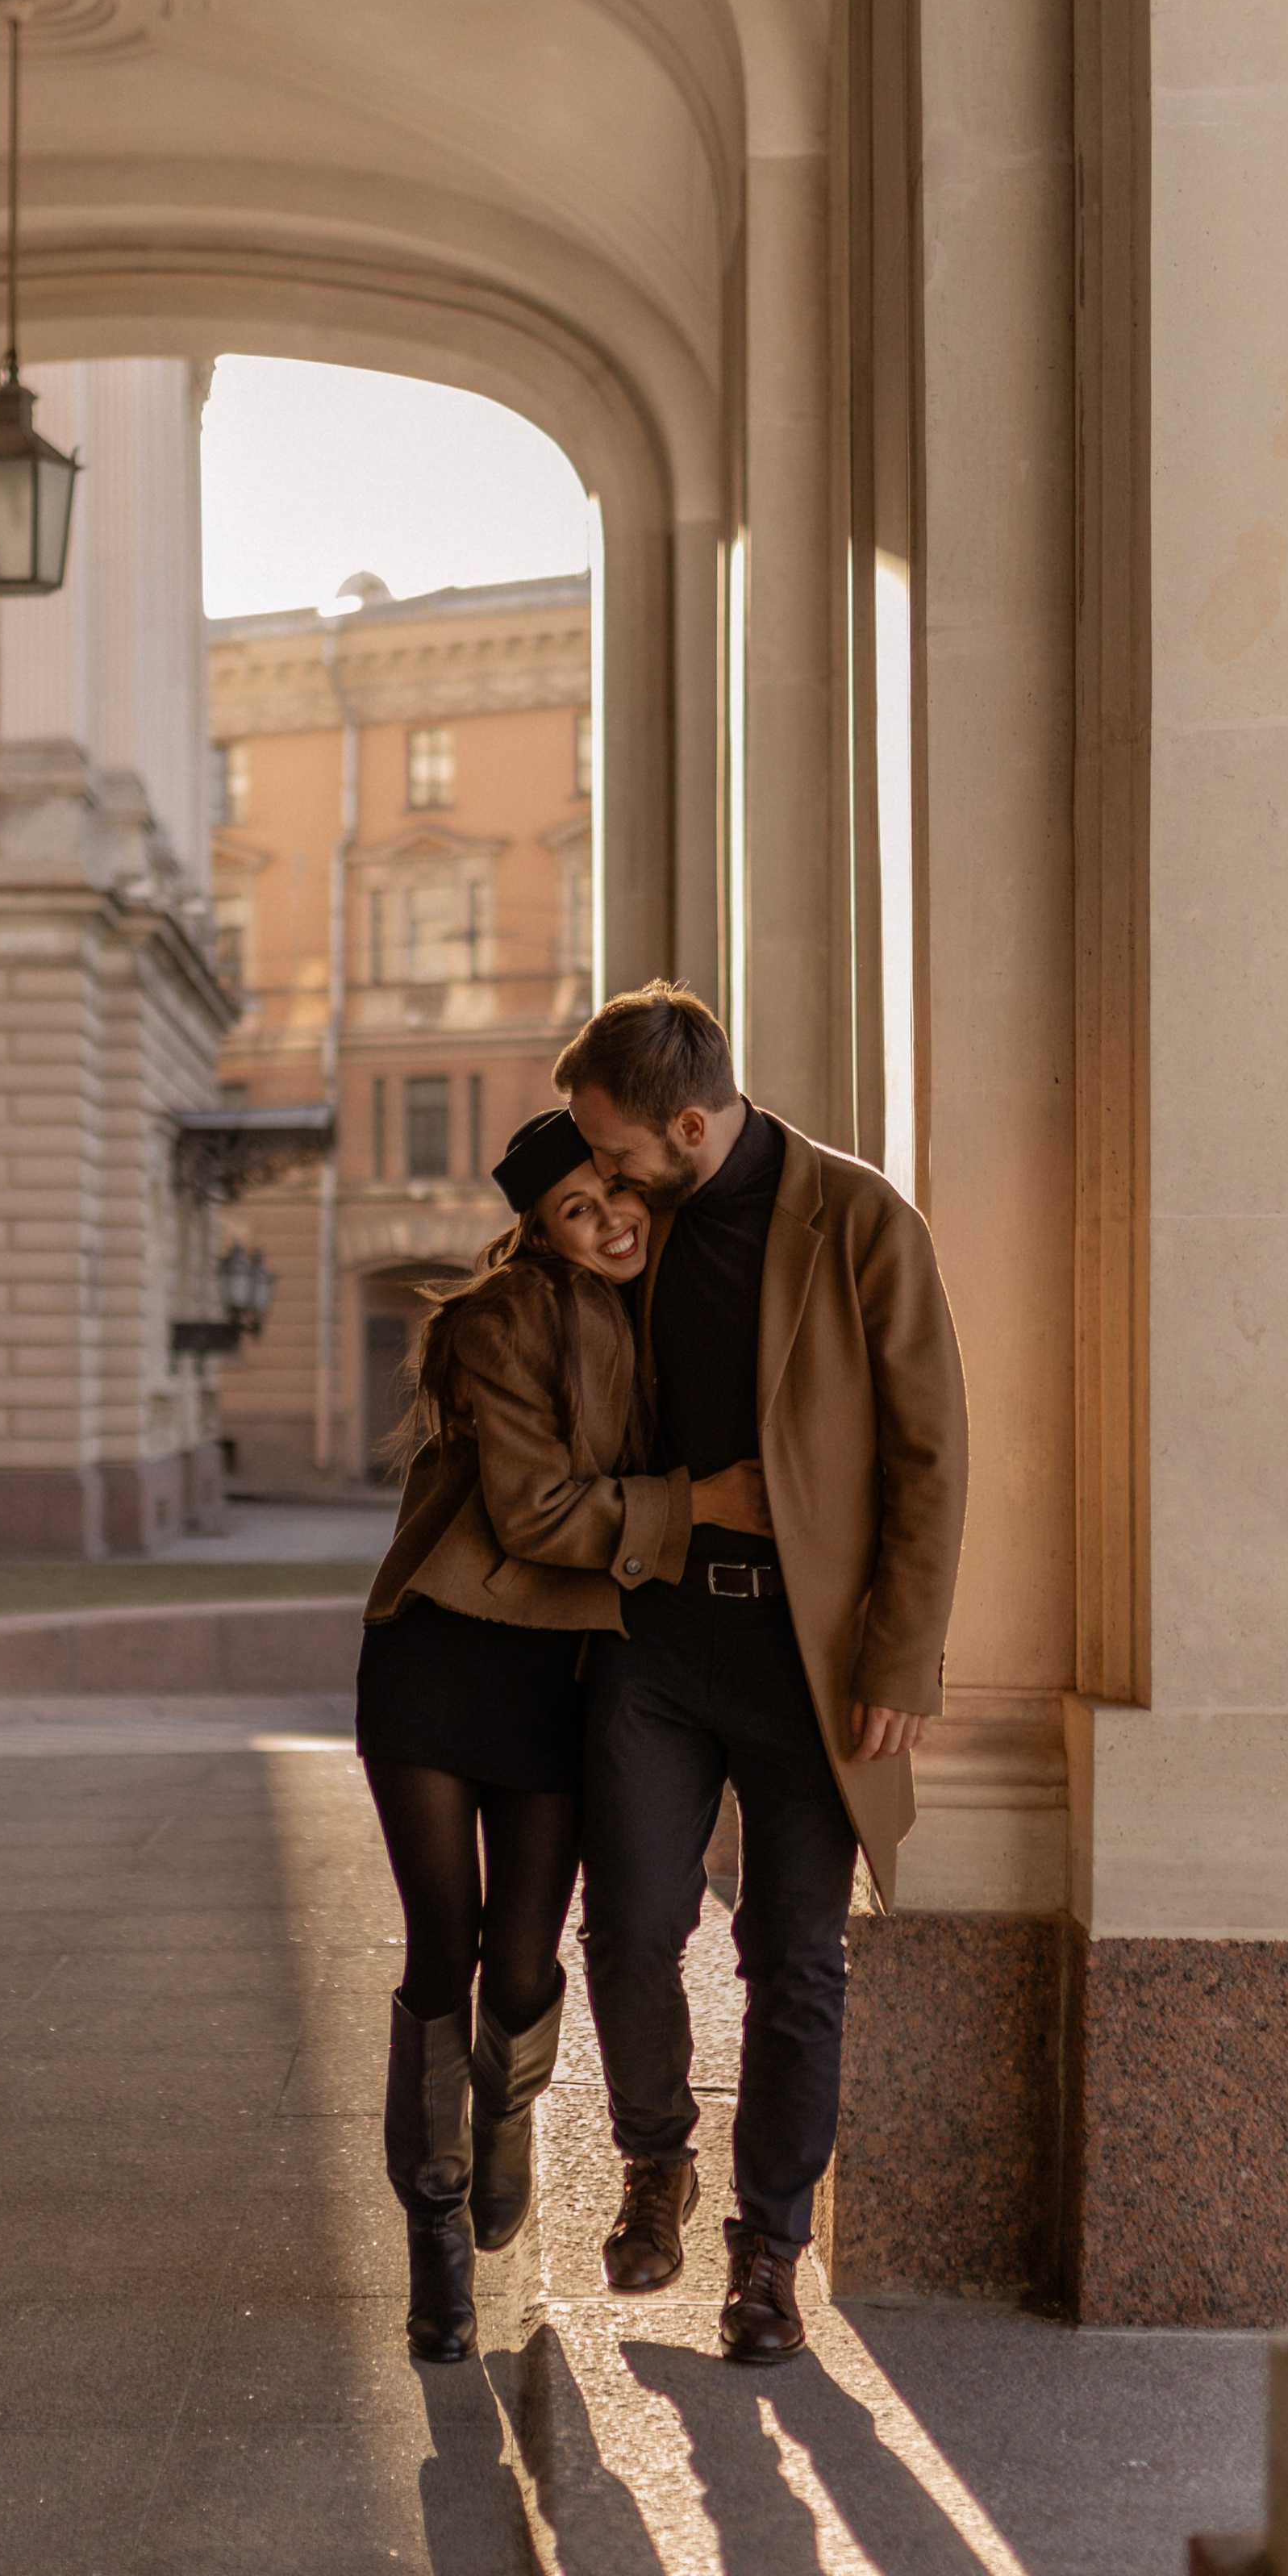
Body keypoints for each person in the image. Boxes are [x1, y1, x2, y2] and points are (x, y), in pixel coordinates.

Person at [553, 979, 968, 2365]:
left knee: (795, 1961)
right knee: (626, 1930)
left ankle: (768, 2251)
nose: (598, 1178)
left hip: (817, 1659)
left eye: (613, 1151)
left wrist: (903, 1654)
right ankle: (655, 2161)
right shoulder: (633, 1226)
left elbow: (929, 1455)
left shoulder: (860, 1223)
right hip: (661, 1640)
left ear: (687, 1122)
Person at [356, 1106, 769, 2363]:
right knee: (448, 1949)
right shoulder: (500, 1318)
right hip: (444, 1658)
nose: (608, 1224)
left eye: (614, 1197)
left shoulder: (663, 1302)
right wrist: (697, 1504)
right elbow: (536, 1513)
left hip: (561, 1677)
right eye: (575, 1213)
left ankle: (502, 2128)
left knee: (527, 1965)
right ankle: (434, 2246)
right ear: (538, 1231)